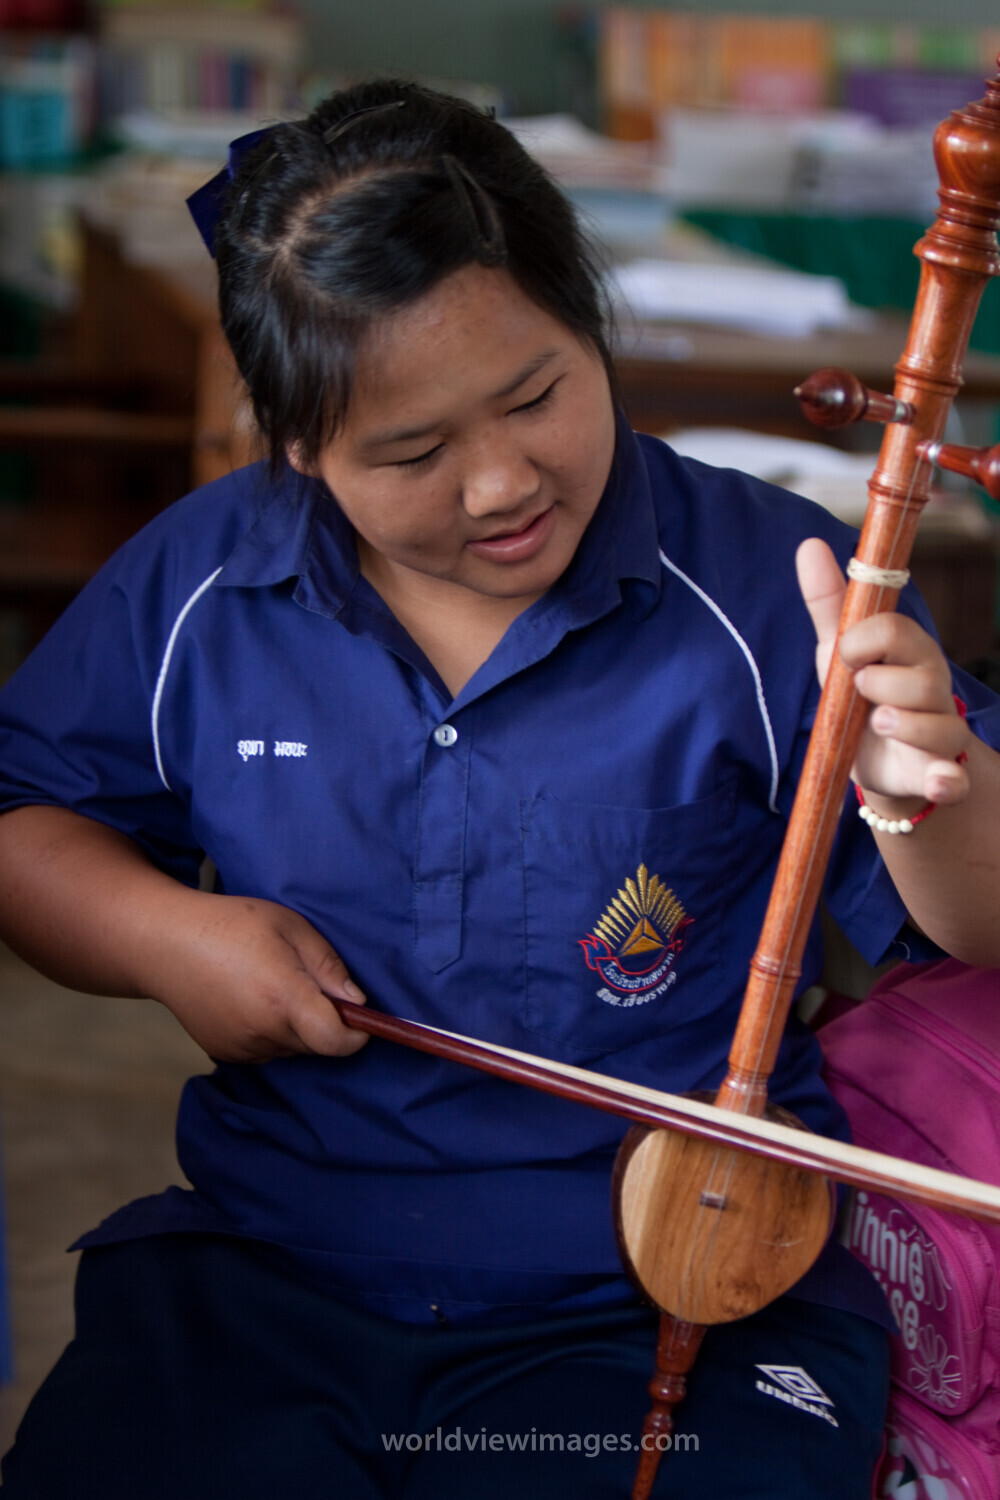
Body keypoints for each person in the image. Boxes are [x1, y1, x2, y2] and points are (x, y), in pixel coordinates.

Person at [0, 79, 998, 1500]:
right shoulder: (206, 581)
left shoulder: (776, 584)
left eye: (538, 394)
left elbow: (980, 925)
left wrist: (923, 790)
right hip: (278, 1268)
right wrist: (166, 937)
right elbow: (24, 816)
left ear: (590, 325)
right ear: (296, 445)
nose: (500, 484)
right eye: (409, 454)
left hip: (668, 1291)